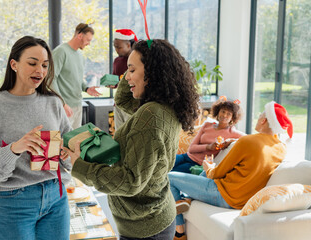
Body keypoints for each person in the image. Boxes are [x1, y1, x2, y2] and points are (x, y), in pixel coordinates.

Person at [62, 39, 200, 239]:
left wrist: (79, 166)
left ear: (152, 74)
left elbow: (130, 182)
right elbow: (123, 100)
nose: (126, 77)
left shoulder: (151, 116)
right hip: (154, 218)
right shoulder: (163, 107)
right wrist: (134, 62)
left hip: (146, 229)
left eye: (132, 70)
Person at [0, 36, 73, 240]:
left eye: (44, 65)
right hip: (14, 202)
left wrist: (66, 151)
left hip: (56, 197)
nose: (40, 71)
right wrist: (14, 149)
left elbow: (70, 153)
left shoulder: (54, 102)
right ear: (14, 64)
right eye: (32, 63)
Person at [169, 101, 293, 240]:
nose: (258, 119)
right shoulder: (281, 148)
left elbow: (217, 173)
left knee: (169, 177)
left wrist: (209, 167)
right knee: (199, 175)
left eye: (259, 116)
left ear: (263, 120)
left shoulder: (247, 141)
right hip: (242, 201)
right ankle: (186, 198)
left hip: (223, 194)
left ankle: (179, 232)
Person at [172, 98, 246, 173]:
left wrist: (231, 140)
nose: (224, 115)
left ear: (232, 118)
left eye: (228, 114)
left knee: (169, 172)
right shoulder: (207, 125)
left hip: (197, 165)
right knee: (164, 163)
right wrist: (208, 147)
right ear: (218, 112)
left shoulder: (232, 132)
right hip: (186, 156)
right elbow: (191, 149)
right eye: (223, 111)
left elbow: (248, 138)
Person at [52, 23, 101, 129]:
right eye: (88, 40)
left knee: (74, 141)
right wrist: (62, 103)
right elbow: (51, 79)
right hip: (64, 106)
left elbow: (77, 78)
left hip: (78, 105)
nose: (88, 44)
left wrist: (86, 88)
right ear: (79, 35)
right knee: (61, 142)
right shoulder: (61, 51)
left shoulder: (80, 56)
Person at [110, 29, 138, 130]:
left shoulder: (138, 61)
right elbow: (117, 81)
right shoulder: (117, 61)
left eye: (119, 47)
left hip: (133, 105)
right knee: (119, 134)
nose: (116, 50)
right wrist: (113, 84)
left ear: (128, 45)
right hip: (118, 104)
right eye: (115, 47)